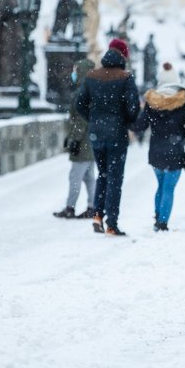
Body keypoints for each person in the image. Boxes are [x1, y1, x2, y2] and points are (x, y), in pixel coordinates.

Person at [75, 38, 140, 236]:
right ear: (124, 56)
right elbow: (133, 107)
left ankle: (97, 215)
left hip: (96, 133)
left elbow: (79, 103)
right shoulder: (126, 77)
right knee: (115, 178)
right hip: (117, 135)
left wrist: (93, 119)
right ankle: (111, 224)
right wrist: (127, 122)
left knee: (102, 174)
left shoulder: (91, 75)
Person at [130, 62, 185, 232]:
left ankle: (158, 216)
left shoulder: (152, 101)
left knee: (160, 185)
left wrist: (126, 120)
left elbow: (140, 125)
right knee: (168, 188)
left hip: (156, 149)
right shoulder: (183, 100)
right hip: (175, 148)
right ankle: (162, 222)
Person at [53, 58, 98, 219]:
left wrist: (75, 139)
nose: (73, 73)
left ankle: (70, 208)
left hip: (83, 141)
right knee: (89, 176)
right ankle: (93, 207)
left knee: (75, 176)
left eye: (75, 70)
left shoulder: (82, 91)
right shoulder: (91, 89)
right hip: (91, 139)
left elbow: (81, 118)